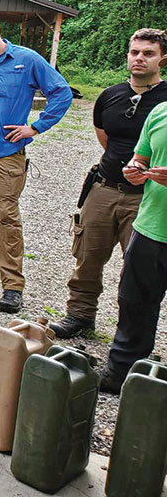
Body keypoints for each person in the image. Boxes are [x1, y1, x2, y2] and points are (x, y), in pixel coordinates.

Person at [52, 29, 167, 339]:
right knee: (87, 256)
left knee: (138, 270)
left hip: (147, 198)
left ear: (162, 59)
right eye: (135, 52)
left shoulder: (165, 101)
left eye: (148, 53)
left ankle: (129, 333)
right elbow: (105, 138)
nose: (139, 58)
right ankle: (79, 314)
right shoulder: (110, 95)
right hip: (103, 188)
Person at [0, 14, 72, 313]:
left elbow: (61, 92)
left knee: (8, 217)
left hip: (8, 154)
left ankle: (12, 286)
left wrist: (36, 127)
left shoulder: (27, 59)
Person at [100, 96, 167, 394]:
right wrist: (135, 168)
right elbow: (142, 157)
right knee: (134, 304)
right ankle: (122, 372)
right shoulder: (161, 111)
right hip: (151, 226)